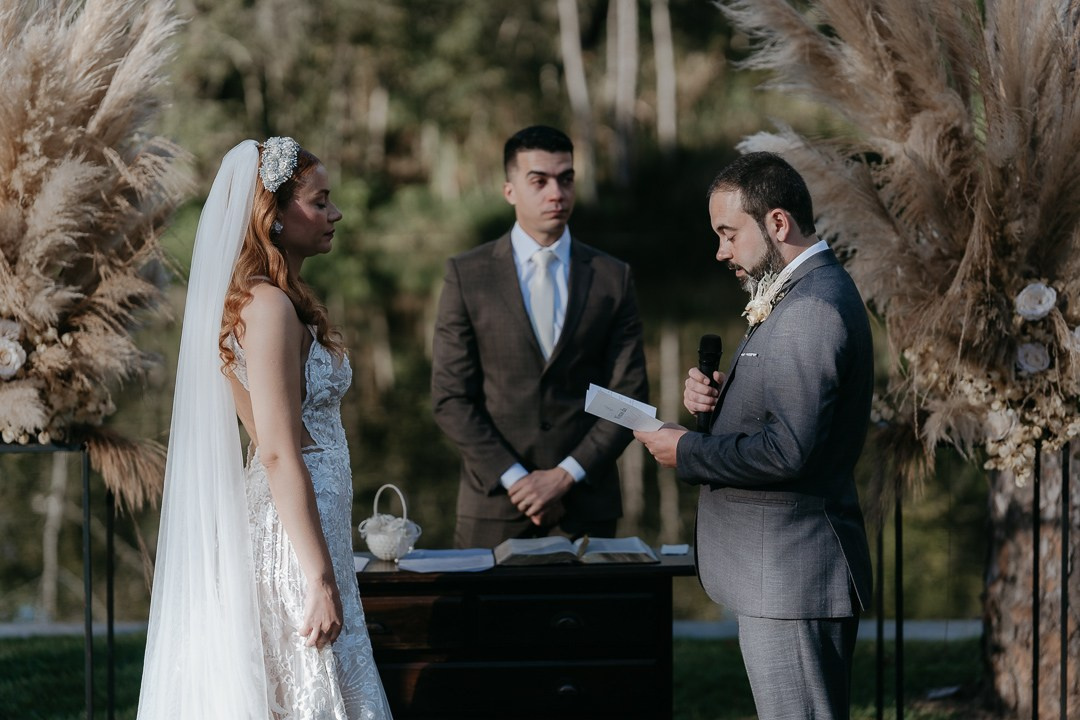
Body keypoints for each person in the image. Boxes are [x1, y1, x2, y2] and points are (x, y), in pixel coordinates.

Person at [137, 138, 393, 719]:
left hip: (303, 521)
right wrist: (319, 576)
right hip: (292, 534)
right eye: (320, 201)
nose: (336, 214)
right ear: (272, 216)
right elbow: (275, 452)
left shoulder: (269, 300)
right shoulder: (268, 307)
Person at [634, 152, 873, 720]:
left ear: (778, 223)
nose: (720, 251)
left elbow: (788, 451)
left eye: (728, 233)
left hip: (792, 577)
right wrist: (721, 404)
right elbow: (790, 421)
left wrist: (686, 450)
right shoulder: (799, 295)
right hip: (781, 576)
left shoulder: (812, 309)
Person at [432, 125, 648, 549]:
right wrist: (518, 480)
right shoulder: (467, 275)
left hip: (586, 507)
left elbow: (629, 398)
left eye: (566, 179)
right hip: (493, 505)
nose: (557, 193)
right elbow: (450, 398)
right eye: (540, 181)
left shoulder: (612, 277)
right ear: (509, 189)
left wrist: (565, 475)